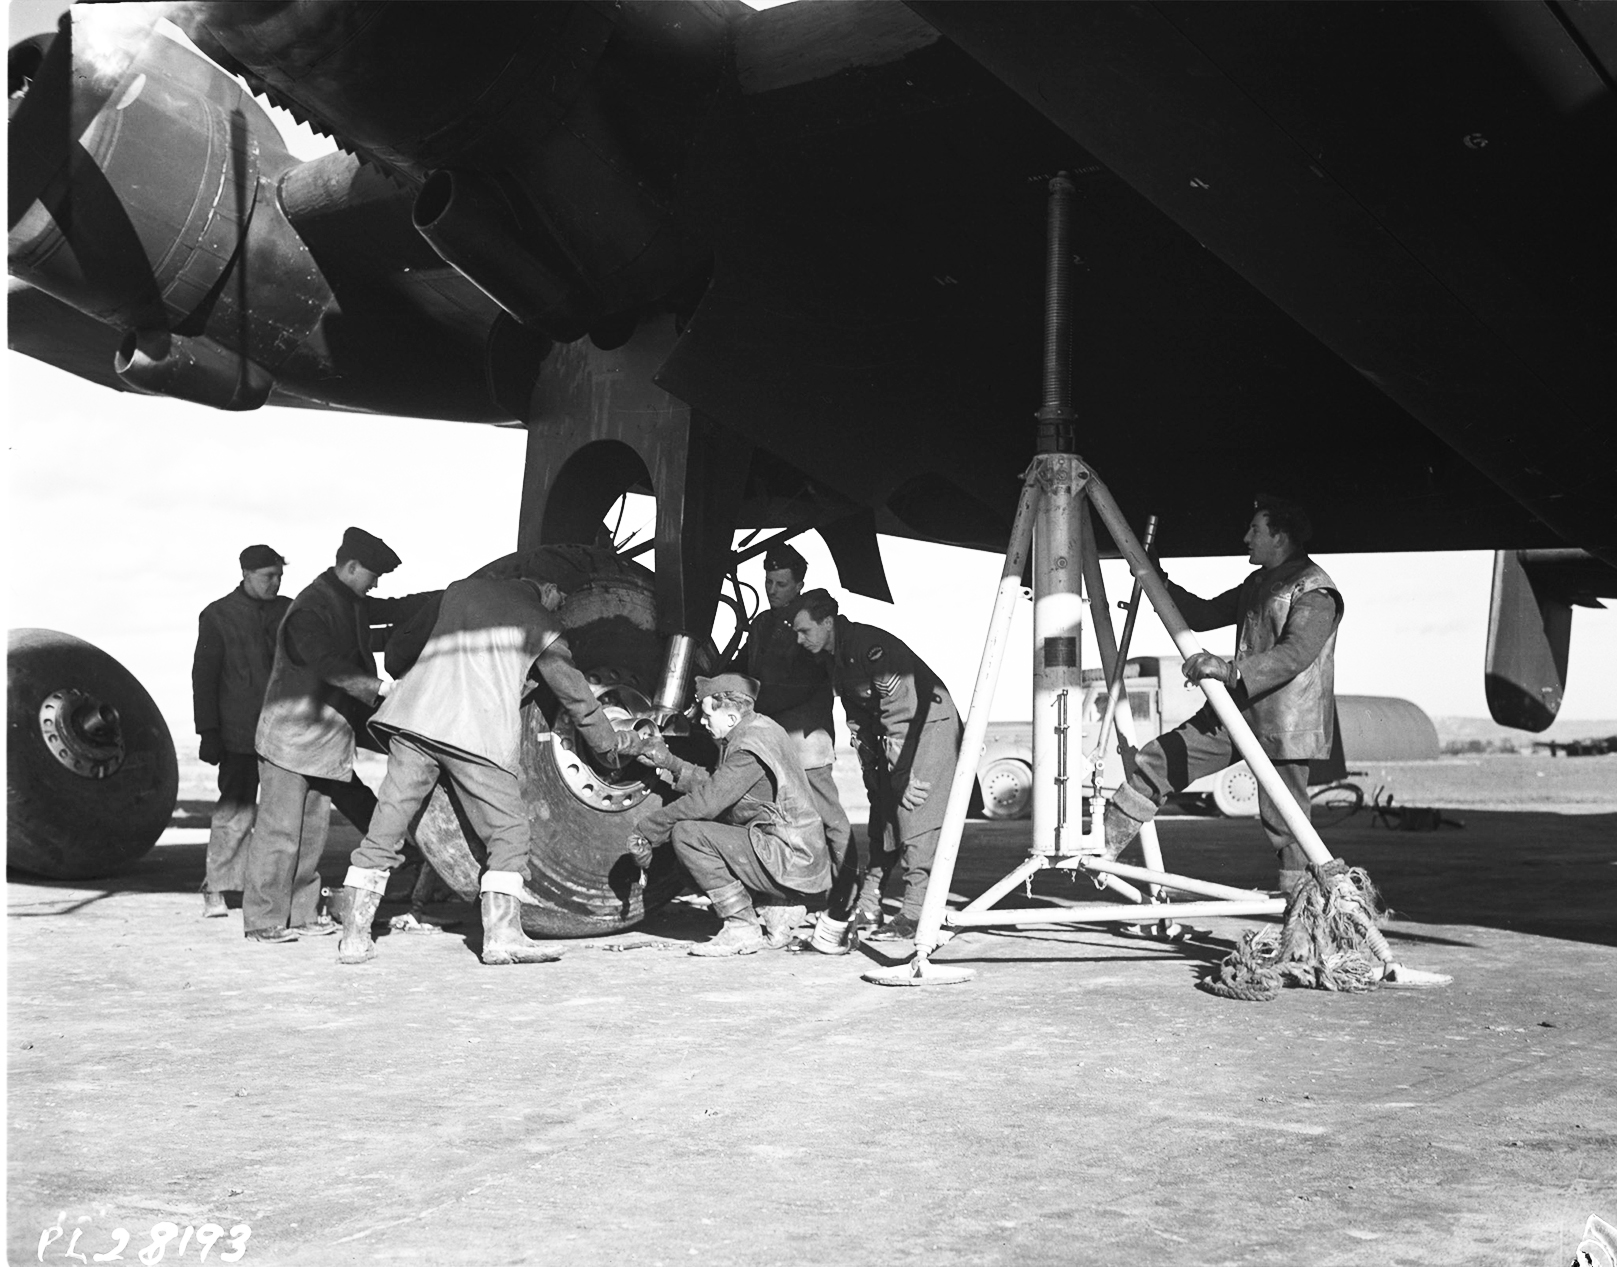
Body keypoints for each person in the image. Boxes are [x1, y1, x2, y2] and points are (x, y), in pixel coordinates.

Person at [336, 574, 644, 966]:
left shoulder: (460, 590)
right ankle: (502, 936)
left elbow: (401, 650)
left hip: (413, 722)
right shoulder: (542, 623)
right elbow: (577, 698)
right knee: (509, 832)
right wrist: (609, 748)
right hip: (473, 733)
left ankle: (354, 938)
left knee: (385, 830)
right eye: (558, 597)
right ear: (547, 591)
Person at [1102, 495, 1343, 894]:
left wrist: (1231, 671)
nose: (1245, 536)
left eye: (1255, 529)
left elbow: (1295, 655)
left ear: (1280, 536)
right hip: (1237, 713)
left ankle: (1303, 914)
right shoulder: (1260, 583)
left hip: (1285, 725)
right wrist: (1155, 577)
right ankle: (1102, 850)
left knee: (1287, 825)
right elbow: (1204, 615)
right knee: (1159, 761)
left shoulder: (1315, 592)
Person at [245, 527, 433, 944]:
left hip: (321, 742)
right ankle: (263, 920)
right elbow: (325, 664)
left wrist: (451, 596)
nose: (376, 583)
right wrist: (380, 688)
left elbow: (397, 609)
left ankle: (302, 913)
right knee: (279, 834)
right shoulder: (311, 608)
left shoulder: (348, 601)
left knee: (311, 835)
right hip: (290, 740)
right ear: (351, 567)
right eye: (372, 575)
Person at [788, 590, 961, 943]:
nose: (799, 639)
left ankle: (916, 912)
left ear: (827, 622)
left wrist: (900, 776)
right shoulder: (836, 656)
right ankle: (869, 903)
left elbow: (901, 715)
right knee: (883, 813)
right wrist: (874, 773)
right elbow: (860, 718)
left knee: (914, 813)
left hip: (927, 729)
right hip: (896, 736)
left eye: (804, 630)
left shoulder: (871, 648)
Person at [627, 674, 830, 956]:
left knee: (688, 835)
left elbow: (708, 802)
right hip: (792, 856)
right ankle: (777, 908)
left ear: (732, 717)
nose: (701, 721)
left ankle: (741, 927)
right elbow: (722, 786)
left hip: (790, 859)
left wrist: (648, 829)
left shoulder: (749, 747)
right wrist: (670, 763)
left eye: (708, 713)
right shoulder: (760, 729)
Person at [730, 542, 854, 908]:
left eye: (781, 584)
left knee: (826, 816)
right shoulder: (763, 623)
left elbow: (802, 685)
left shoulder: (806, 626)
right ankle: (796, 894)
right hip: (772, 740)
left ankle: (846, 892)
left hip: (805, 738)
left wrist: (752, 705)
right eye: (768, 582)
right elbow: (747, 667)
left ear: (798, 585)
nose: (772, 590)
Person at [191, 544, 291, 917]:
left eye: (280, 575)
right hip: (238, 734)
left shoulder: (289, 610)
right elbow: (204, 677)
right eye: (268, 577)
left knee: (280, 818)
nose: (276, 583)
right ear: (246, 574)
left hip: (284, 734)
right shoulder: (217, 616)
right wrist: (208, 731)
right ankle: (216, 888)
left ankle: (269, 891)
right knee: (236, 811)